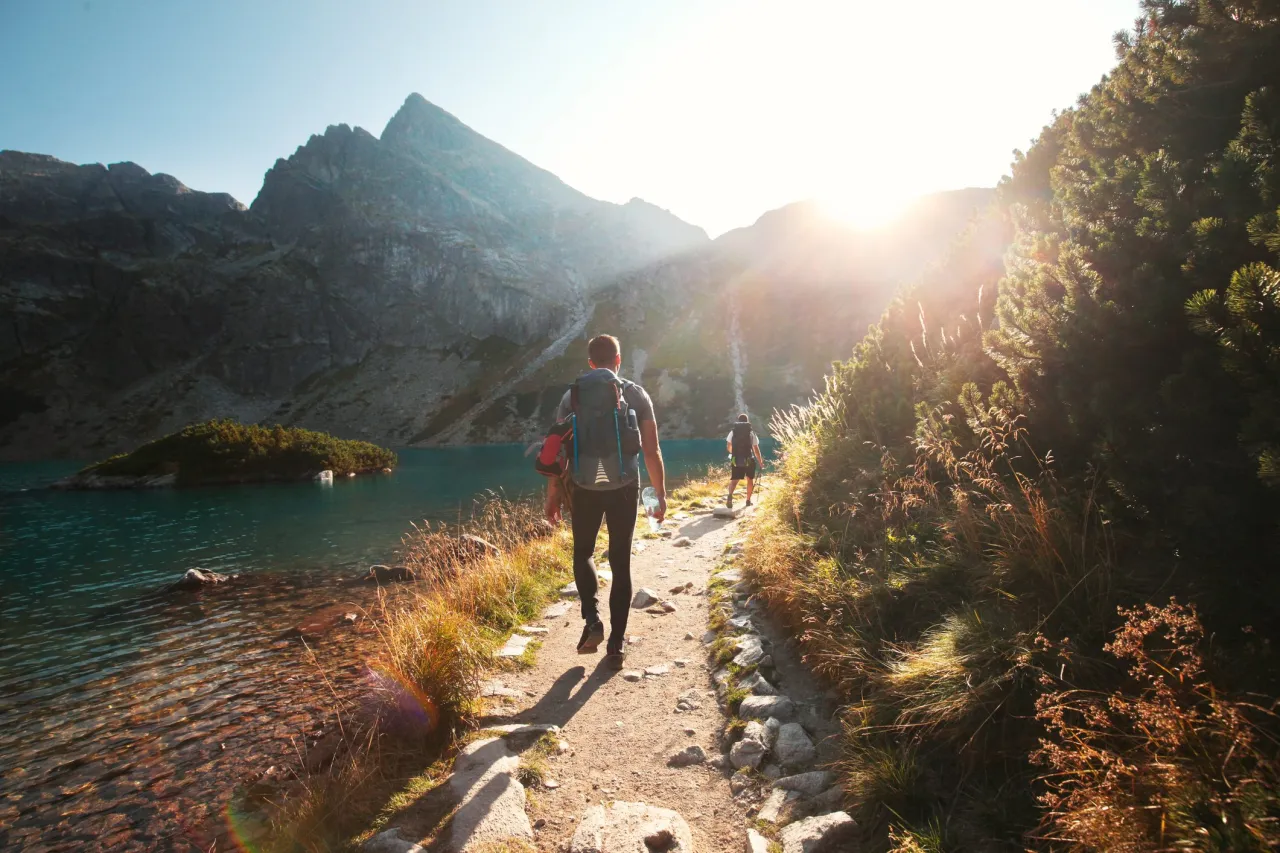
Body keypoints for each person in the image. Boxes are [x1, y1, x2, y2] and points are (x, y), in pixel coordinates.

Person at [545, 334, 666, 668]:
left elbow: (558, 453)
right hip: (624, 486)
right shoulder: (636, 394)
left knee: (583, 552)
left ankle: (592, 620)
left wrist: (553, 496)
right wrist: (659, 494)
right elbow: (652, 450)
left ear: (590, 363)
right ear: (618, 359)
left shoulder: (572, 396)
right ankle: (616, 644)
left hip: (583, 486)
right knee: (620, 561)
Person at [725, 413, 763, 509]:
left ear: (738, 420)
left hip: (736, 459)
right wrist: (760, 461)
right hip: (748, 459)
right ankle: (748, 501)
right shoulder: (751, 432)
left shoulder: (733, 431)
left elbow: (728, 446)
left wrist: (734, 453)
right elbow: (756, 449)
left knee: (734, 480)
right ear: (747, 421)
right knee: (749, 479)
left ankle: (730, 497)